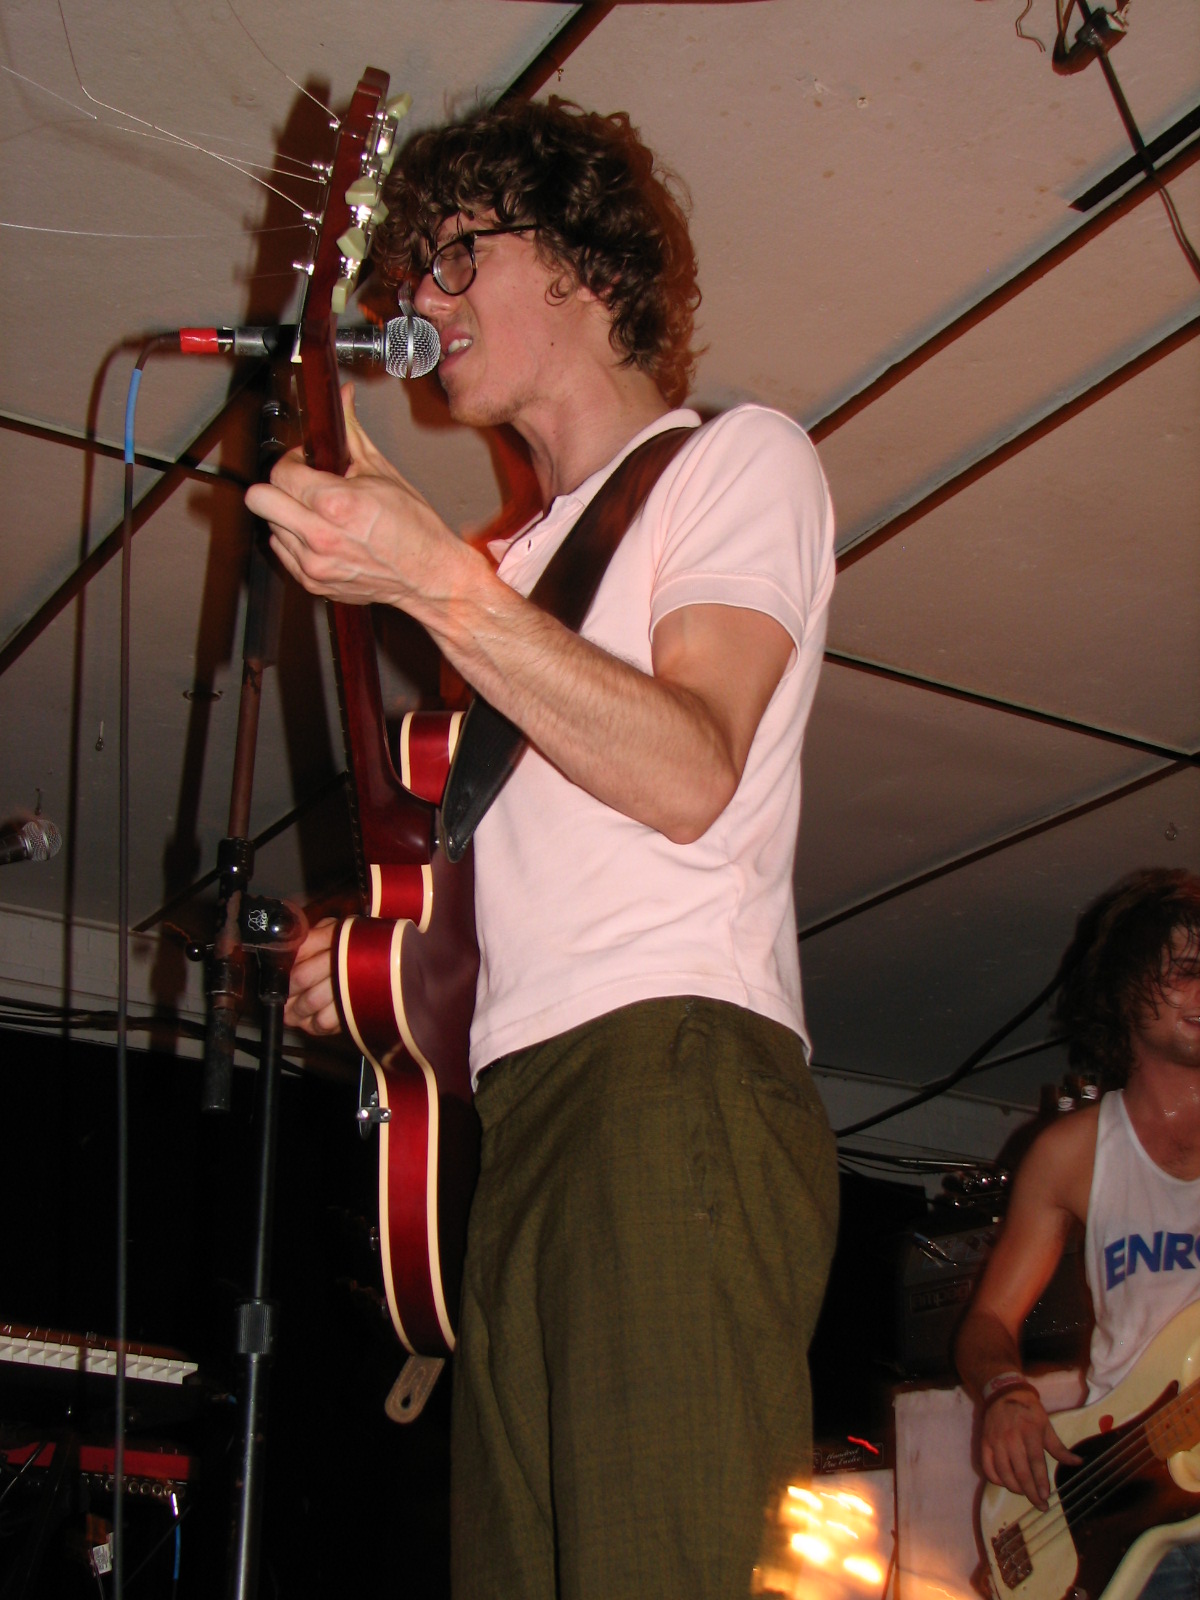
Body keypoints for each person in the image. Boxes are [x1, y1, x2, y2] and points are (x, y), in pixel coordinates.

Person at [247, 97, 839, 1600]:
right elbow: (513, 874)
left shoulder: (734, 460)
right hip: (510, 1117)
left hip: (668, 1069)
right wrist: (374, 964)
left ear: (584, 263)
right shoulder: (503, 568)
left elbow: (689, 769)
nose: (419, 299)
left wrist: (437, 587)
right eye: (407, 272)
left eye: (456, 254)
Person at [955, 867, 1200, 1597]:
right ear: (1125, 988)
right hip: (1128, 1499)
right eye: (1186, 971)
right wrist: (1005, 1393)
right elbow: (989, 1321)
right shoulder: (1072, 1154)